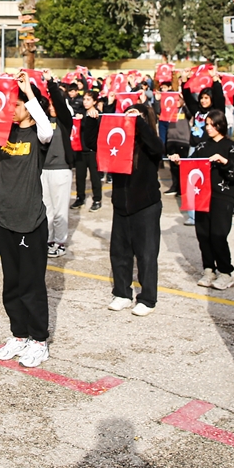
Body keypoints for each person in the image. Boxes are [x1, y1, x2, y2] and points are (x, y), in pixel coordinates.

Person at [0, 74, 54, 369]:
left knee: (31, 284)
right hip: (4, 217)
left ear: (28, 107)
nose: (11, 109)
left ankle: (39, 340)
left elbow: (46, 129)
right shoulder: (3, 131)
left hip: (30, 220)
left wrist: (28, 92)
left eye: (16, 104)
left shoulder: (39, 136)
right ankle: (19, 335)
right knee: (12, 283)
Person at [105, 102, 164, 315]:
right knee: (119, 252)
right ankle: (122, 293)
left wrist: (138, 122)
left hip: (145, 205)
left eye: (137, 116)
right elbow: (93, 143)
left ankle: (147, 298)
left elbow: (158, 148)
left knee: (146, 254)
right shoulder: (120, 141)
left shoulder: (149, 142)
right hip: (122, 204)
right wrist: (93, 122)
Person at [184, 107, 234, 290]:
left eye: (212, 125)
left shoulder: (230, 146)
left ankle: (225, 272)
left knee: (218, 234)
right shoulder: (203, 145)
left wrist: (224, 161)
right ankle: (208, 269)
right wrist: (180, 161)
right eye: (207, 124)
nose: (208, 128)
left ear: (221, 125)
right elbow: (191, 163)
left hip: (222, 196)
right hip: (202, 194)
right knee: (203, 234)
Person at [43, 74, 75, 257]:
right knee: (46, 209)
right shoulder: (42, 122)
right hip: (44, 170)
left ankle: (59, 242)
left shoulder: (64, 121)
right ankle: (47, 240)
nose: (52, 108)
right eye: (50, 105)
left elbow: (60, 104)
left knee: (59, 210)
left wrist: (51, 84)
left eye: (55, 104)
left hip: (61, 170)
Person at [71, 91, 103, 211]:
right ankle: (80, 198)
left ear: (94, 101)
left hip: (93, 151)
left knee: (95, 177)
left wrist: (86, 119)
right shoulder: (80, 112)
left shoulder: (97, 114)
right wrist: (79, 118)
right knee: (80, 176)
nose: (85, 102)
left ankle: (97, 199)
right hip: (80, 149)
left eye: (88, 99)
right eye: (84, 99)